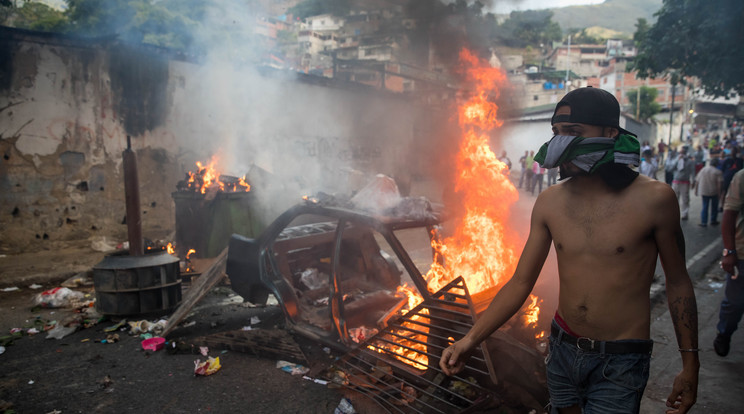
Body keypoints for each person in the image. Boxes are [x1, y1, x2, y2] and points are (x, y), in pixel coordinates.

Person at [440, 87, 698, 414]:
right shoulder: (550, 202)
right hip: (562, 350)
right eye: (557, 133)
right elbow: (520, 282)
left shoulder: (655, 200)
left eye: (574, 133)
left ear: (610, 134)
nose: (562, 144)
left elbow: (677, 283)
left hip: (619, 361)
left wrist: (691, 366)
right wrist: (470, 339)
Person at [716, 167, 744, 357]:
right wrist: (729, 251)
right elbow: (729, 215)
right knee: (735, 303)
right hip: (742, 255)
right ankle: (724, 333)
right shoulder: (742, 177)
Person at [693, 159, 722, 227]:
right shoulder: (718, 172)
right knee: (714, 207)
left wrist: (696, 190)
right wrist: (719, 193)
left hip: (704, 191)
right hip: (714, 191)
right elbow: (719, 184)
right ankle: (713, 220)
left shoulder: (703, 169)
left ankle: (704, 222)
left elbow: (697, 180)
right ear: (717, 164)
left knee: (705, 206)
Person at [672, 146, 696, 220]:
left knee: (685, 199)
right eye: (680, 153)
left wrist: (693, 181)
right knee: (674, 199)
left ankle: (684, 214)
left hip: (685, 182)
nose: (681, 154)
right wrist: (677, 161)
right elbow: (670, 168)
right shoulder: (676, 160)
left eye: (683, 153)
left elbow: (693, 171)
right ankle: (674, 213)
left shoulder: (689, 161)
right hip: (676, 181)